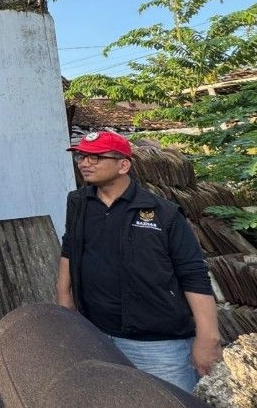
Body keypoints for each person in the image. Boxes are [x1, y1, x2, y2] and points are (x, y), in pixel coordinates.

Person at [56, 131, 222, 392]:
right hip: (96, 335)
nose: (85, 163)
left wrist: (208, 338)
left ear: (123, 165)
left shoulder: (163, 213)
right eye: (82, 156)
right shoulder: (78, 203)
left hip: (160, 345)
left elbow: (193, 274)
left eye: (96, 157)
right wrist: (65, 304)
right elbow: (70, 247)